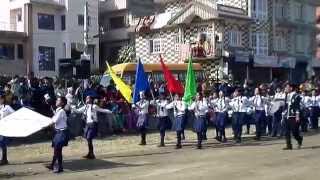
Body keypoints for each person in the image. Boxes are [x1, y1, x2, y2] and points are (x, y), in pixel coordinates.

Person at [46, 97, 69, 173]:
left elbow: (54, 121)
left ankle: (59, 167)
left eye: (58, 100)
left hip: (61, 132)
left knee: (57, 150)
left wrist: (44, 126)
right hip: (58, 132)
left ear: (62, 103)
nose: (56, 101)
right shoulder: (58, 111)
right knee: (57, 150)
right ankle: (53, 165)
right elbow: (52, 119)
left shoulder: (61, 111)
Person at [282, 84, 303, 150]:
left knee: (294, 132)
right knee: (286, 131)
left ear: (291, 88)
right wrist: (283, 116)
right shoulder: (287, 96)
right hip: (287, 116)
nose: (285, 88)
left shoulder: (296, 96)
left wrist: (297, 116)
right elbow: (285, 107)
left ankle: (299, 139)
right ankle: (289, 145)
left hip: (293, 116)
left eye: (287, 87)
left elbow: (297, 107)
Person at [0, 94, 15, 165]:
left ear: (3, 99)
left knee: (2, 142)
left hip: (4, 127)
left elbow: (14, 114)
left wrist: (8, 120)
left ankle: (4, 159)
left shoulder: (7, 107)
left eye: (0, 98)